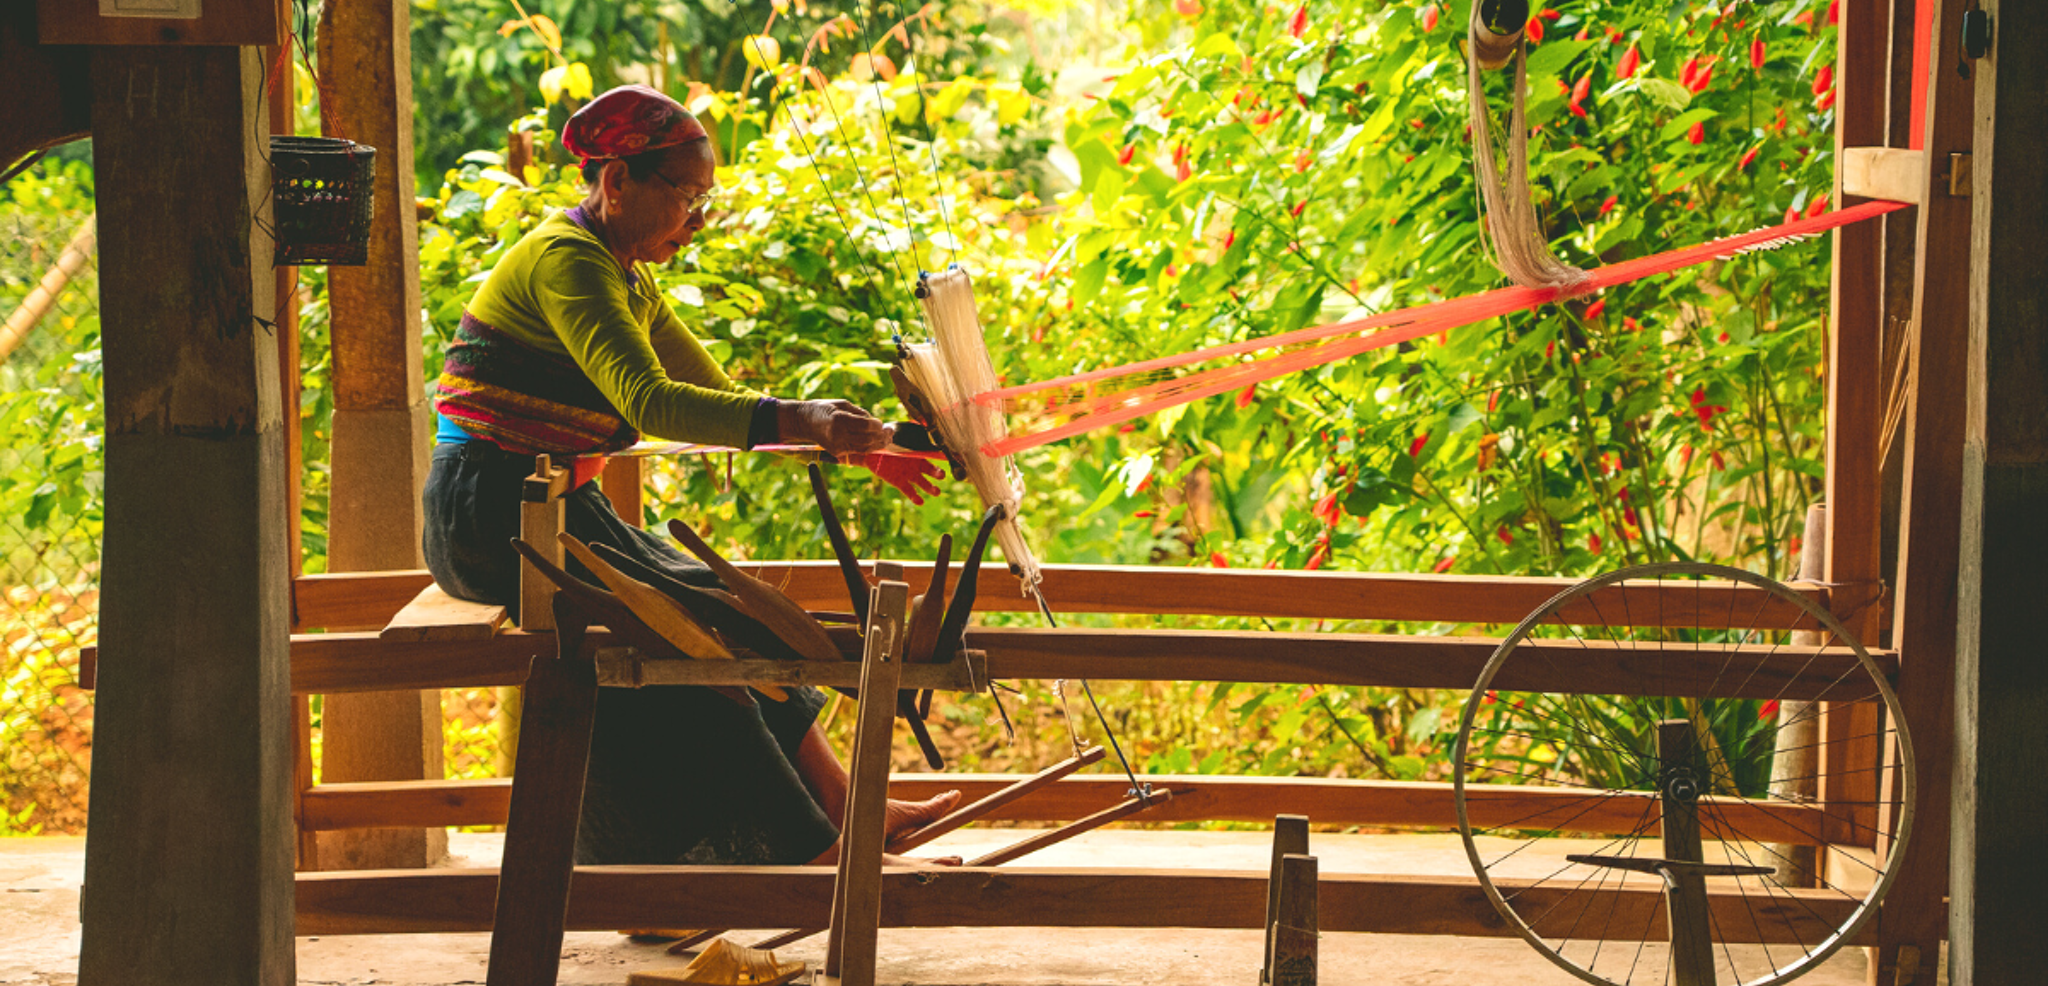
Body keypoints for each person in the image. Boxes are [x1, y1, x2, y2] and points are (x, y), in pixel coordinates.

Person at [421, 84, 955, 871]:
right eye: (685, 194)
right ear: (618, 182)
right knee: (694, 647)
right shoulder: (567, 261)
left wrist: (860, 443)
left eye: (704, 197)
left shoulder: (626, 275)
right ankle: (815, 853)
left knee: (735, 613)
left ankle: (847, 807)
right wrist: (802, 419)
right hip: (491, 515)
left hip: (558, 508)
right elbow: (652, 401)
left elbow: (722, 401)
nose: (696, 217)